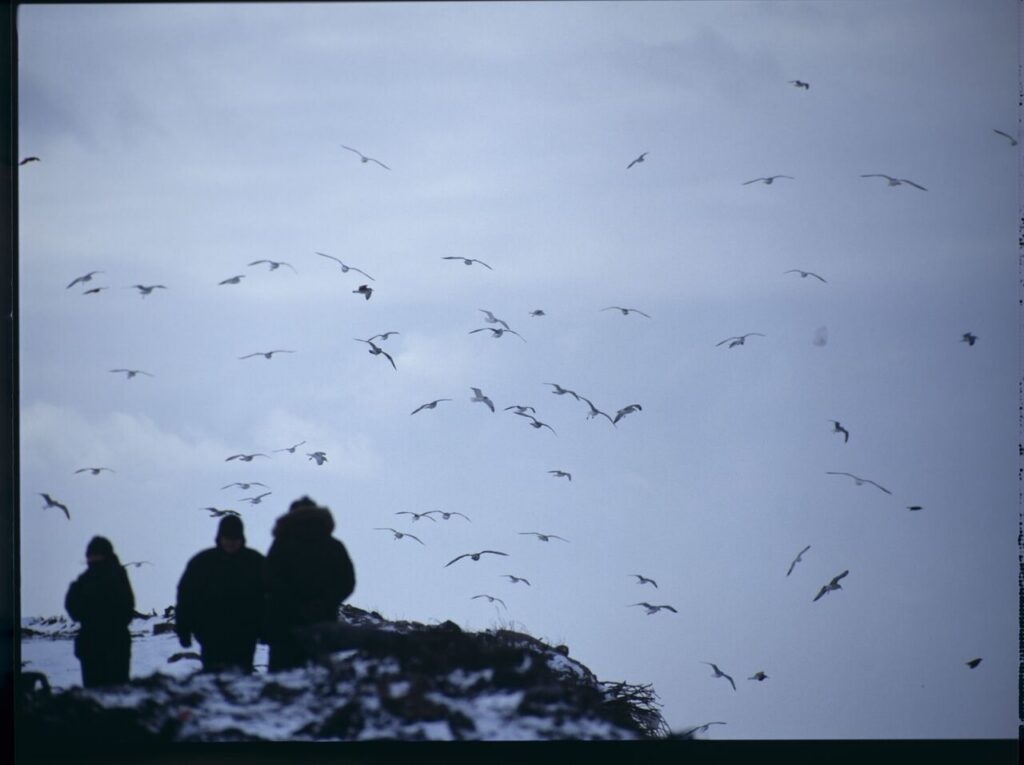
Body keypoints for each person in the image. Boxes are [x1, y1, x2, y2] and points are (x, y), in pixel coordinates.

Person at [265, 496, 356, 671]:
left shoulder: (281, 544)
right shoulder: (334, 546)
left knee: (283, 680)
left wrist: (292, 604)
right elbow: (346, 582)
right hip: (322, 623)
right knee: (317, 681)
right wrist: (324, 604)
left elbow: (270, 580)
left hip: (285, 624)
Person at [175, 514, 267, 673]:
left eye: (235, 538)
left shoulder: (256, 562)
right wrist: (184, 630)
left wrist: (267, 629)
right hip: (211, 636)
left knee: (241, 681)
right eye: (227, 537)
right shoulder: (202, 563)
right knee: (213, 681)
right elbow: (186, 598)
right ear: (220, 537)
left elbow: (269, 598)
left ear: (242, 538)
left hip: (245, 635)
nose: (231, 542)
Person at [64, 536, 135, 687]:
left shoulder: (116, 575)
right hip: (91, 646)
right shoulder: (84, 580)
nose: (93, 558)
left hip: (114, 644)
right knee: (93, 696)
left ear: (106, 554)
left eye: (97, 554)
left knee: (117, 692)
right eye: (91, 555)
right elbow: (74, 610)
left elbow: (126, 608)